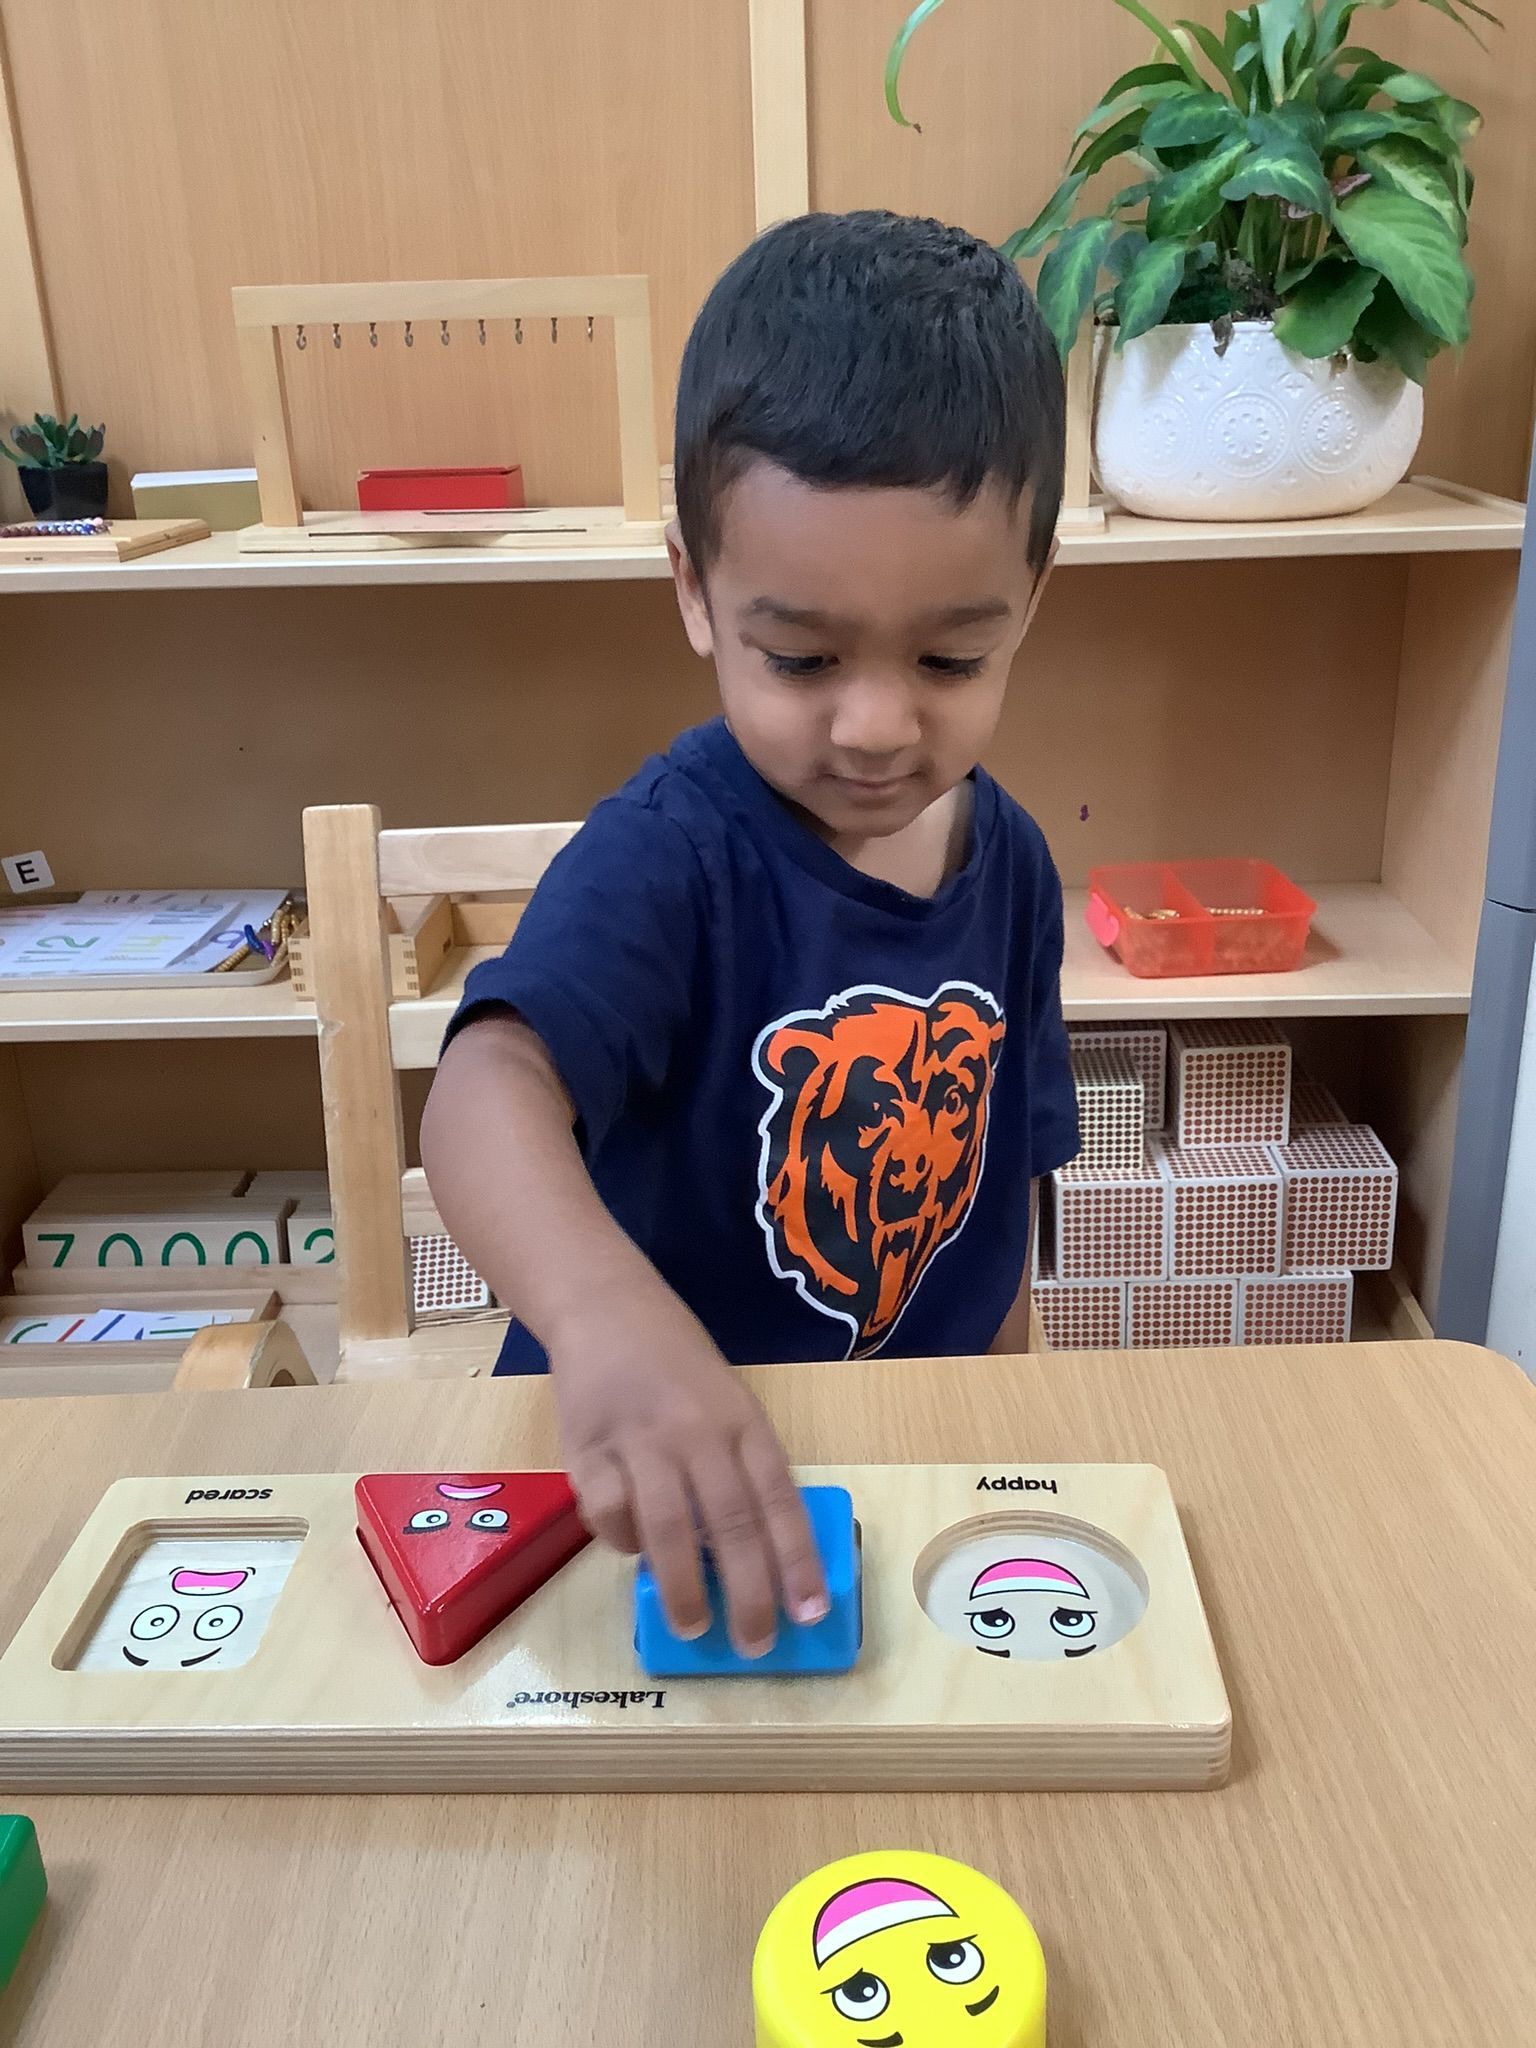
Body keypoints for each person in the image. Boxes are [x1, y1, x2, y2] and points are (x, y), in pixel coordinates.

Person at [421, 209, 1079, 1662]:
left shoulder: (1016, 864)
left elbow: (1002, 1207)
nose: (877, 724)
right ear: (693, 594)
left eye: (952, 656)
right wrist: (606, 1319)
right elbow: (484, 1089)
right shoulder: (673, 853)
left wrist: (1013, 1428)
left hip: (891, 1483)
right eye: (801, 657)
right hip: (634, 1503)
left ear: (1031, 601)